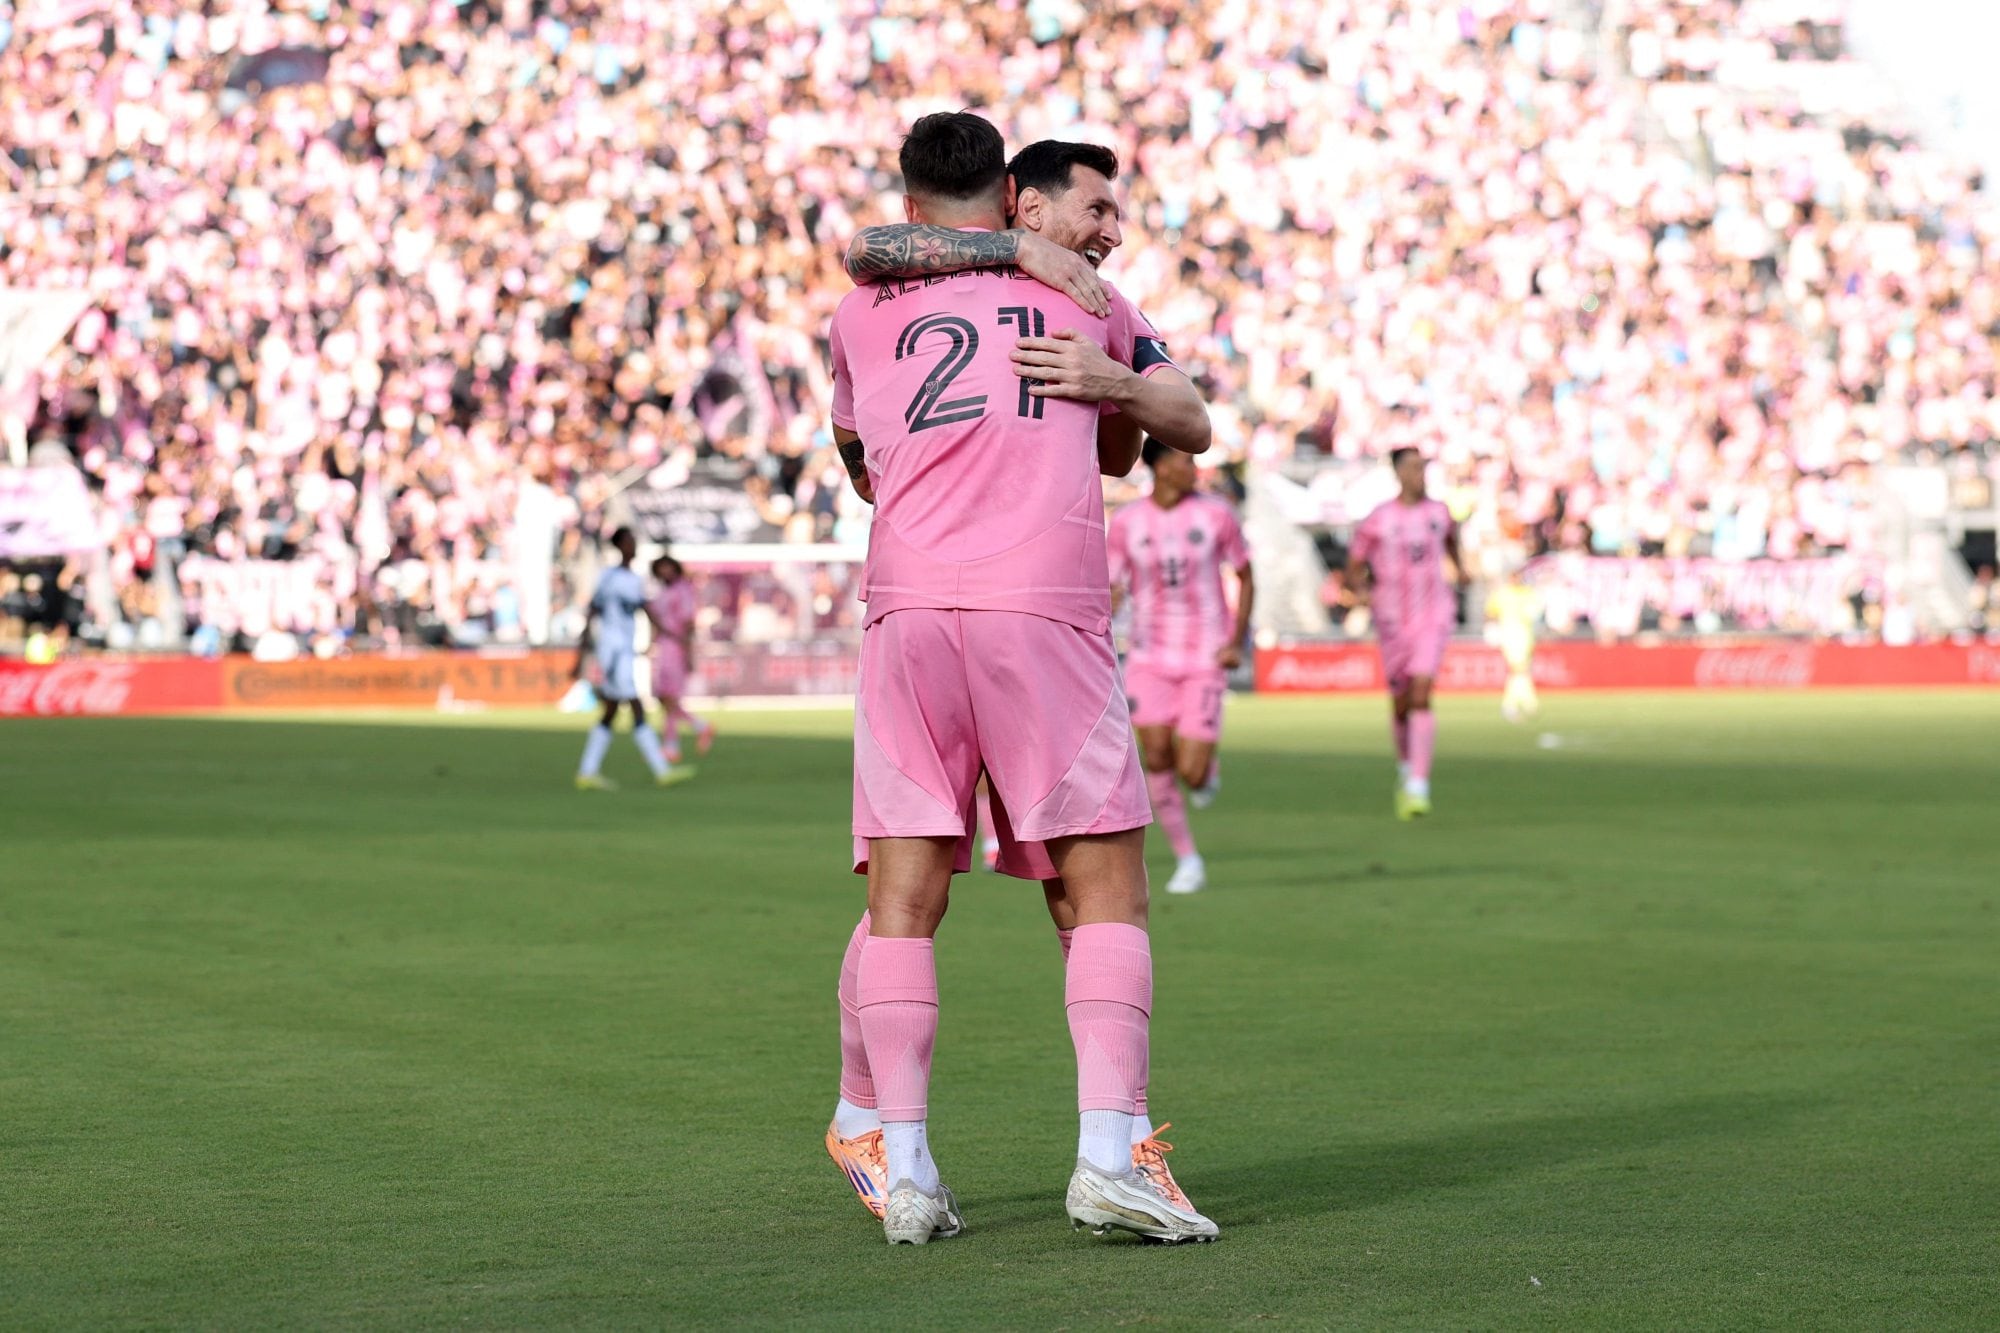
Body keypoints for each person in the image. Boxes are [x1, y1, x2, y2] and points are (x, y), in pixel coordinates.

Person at [826, 113, 1217, 1245]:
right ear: (1012, 197)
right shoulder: (1086, 299)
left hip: (906, 612)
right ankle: (1111, 1157)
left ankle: (901, 1165)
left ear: (912, 207)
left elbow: (859, 462)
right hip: (1039, 609)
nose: (1108, 231)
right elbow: (1187, 421)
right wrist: (1095, 380)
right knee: (1102, 889)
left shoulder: (858, 309)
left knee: (901, 900)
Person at [1109, 438, 1254, 894]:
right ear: (1161, 467)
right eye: (1186, 460)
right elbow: (1111, 584)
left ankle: (1206, 770)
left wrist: (1236, 641)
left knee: (1190, 772)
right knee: (1155, 756)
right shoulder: (1128, 522)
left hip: (1204, 657)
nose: (1194, 468)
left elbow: (1246, 573)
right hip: (1148, 656)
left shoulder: (1216, 515)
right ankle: (1188, 860)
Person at [1346, 450, 1466, 819]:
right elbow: (1354, 564)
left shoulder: (1440, 513)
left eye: (1422, 467)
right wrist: (1361, 590)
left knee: (1421, 691)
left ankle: (1418, 784)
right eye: (1413, 468)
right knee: (1401, 702)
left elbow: (1452, 542)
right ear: (1397, 473)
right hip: (1393, 620)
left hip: (1434, 615)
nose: (1419, 474)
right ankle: (1405, 765)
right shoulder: (1379, 518)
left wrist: (1460, 569)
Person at [572, 528, 692, 791]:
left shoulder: (632, 578)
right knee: (636, 706)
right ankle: (661, 770)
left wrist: (665, 634)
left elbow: (643, 610)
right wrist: (582, 650)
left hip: (622, 649)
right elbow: (596, 609)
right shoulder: (611, 577)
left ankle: (587, 772)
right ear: (620, 546)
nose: (634, 546)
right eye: (630, 542)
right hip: (614, 651)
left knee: (611, 711)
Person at [645, 554, 715, 763]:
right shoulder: (662, 592)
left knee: (670, 698)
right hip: (664, 647)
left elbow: (688, 622)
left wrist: (688, 651)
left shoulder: (683, 590)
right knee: (664, 698)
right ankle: (700, 727)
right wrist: (651, 643)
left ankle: (672, 746)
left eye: (668, 567)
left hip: (676, 647)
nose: (665, 572)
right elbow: (657, 621)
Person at [1486, 567, 1540, 723]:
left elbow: (1535, 612)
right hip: (1510, 635)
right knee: (1518, 669)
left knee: (1522, 670)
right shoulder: (1502, 594)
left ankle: (1524, 702)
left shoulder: (1528, 593)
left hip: (1527, 636)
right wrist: (1492, 629)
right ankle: (1517, 704)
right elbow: (1490, 612)